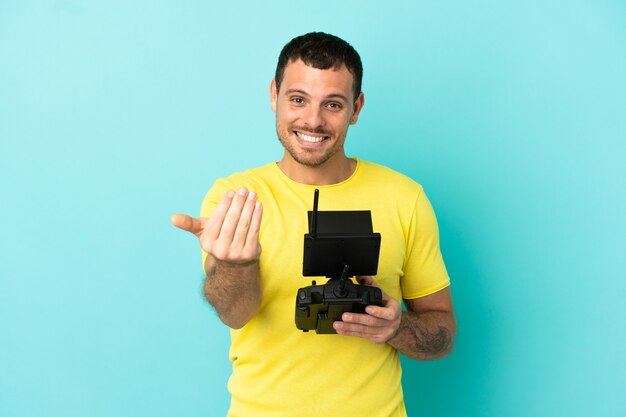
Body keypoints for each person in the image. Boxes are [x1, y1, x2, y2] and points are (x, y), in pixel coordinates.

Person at [172, 32, 456, 417]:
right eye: (298, 99)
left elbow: (442, 334)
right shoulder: (236, 197)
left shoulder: (404, 197)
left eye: (333, 104)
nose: (313, 120)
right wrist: (236, 264)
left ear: (356, 109)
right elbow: (235, 314)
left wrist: (396, 328)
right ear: (274, 95)